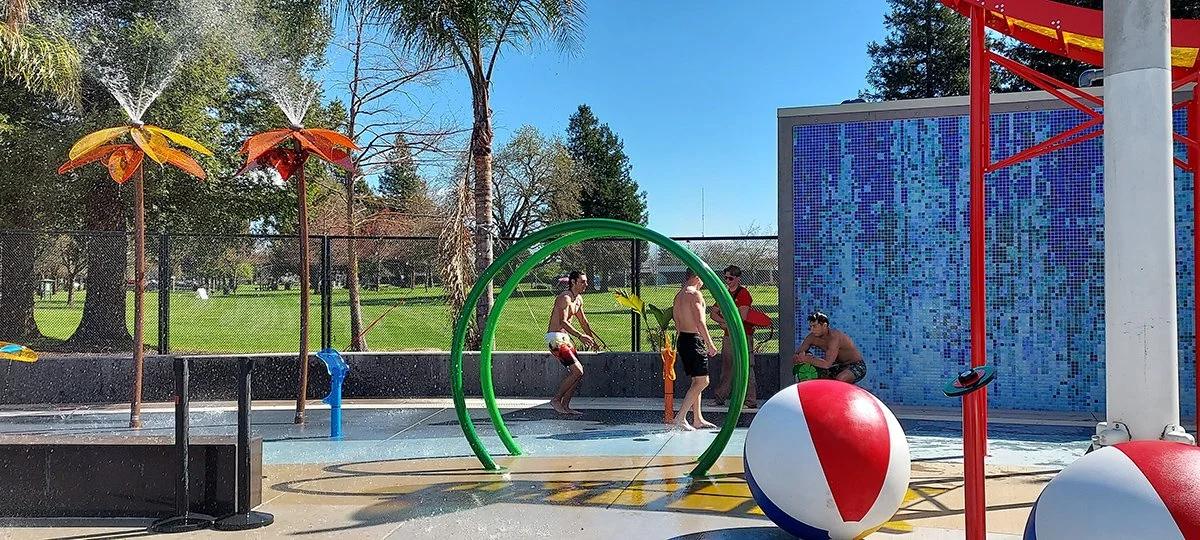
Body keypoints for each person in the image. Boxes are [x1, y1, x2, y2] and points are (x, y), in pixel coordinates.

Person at [672, 267, 720, 430]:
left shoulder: (679, 296)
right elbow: (700, 322)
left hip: (683, 339)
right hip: (693, 339)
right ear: (697, 276)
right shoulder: (695, 295)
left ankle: (697, 418)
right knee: (703, 381)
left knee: (695, 380)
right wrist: (710, 344)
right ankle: (680, 417)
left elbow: (677, 322)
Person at [546, 270, 596, 415]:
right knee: (577, 371)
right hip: (555, 338)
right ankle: (556, 400)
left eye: (586, 281)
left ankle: (566, 406)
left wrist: (591, 338)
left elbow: (583, 321)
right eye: (582, 282)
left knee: (578, 373)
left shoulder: (578, 299)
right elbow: (563, 321)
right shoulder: (565, 298)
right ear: (573, 282)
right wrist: (580, 336)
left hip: (564, 339)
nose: (586, 284)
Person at [709, 265, 758, 409]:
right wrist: (724, 323)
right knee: (727, 367)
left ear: (738, 278)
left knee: (746, 366)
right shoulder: (724, 294)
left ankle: (750, 400)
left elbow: (742, 317)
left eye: (730, 278)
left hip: (743, 336)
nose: (727, 281)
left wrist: (726, 323)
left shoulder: (744, 294)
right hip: (729, 336)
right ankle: (720, 398)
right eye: (725, 278)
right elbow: (713, 313)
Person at [793, 311, 868, 384]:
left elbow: (827, 364)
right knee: (818, 377)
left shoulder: (834, 338)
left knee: (840, 379)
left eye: (815, 326)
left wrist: (807, 359)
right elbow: (796, 356)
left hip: (856, 365)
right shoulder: (812, 337)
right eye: (811, 326)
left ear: (824, 325)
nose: (812, 330)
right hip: (837, 366)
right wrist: (801, 357)